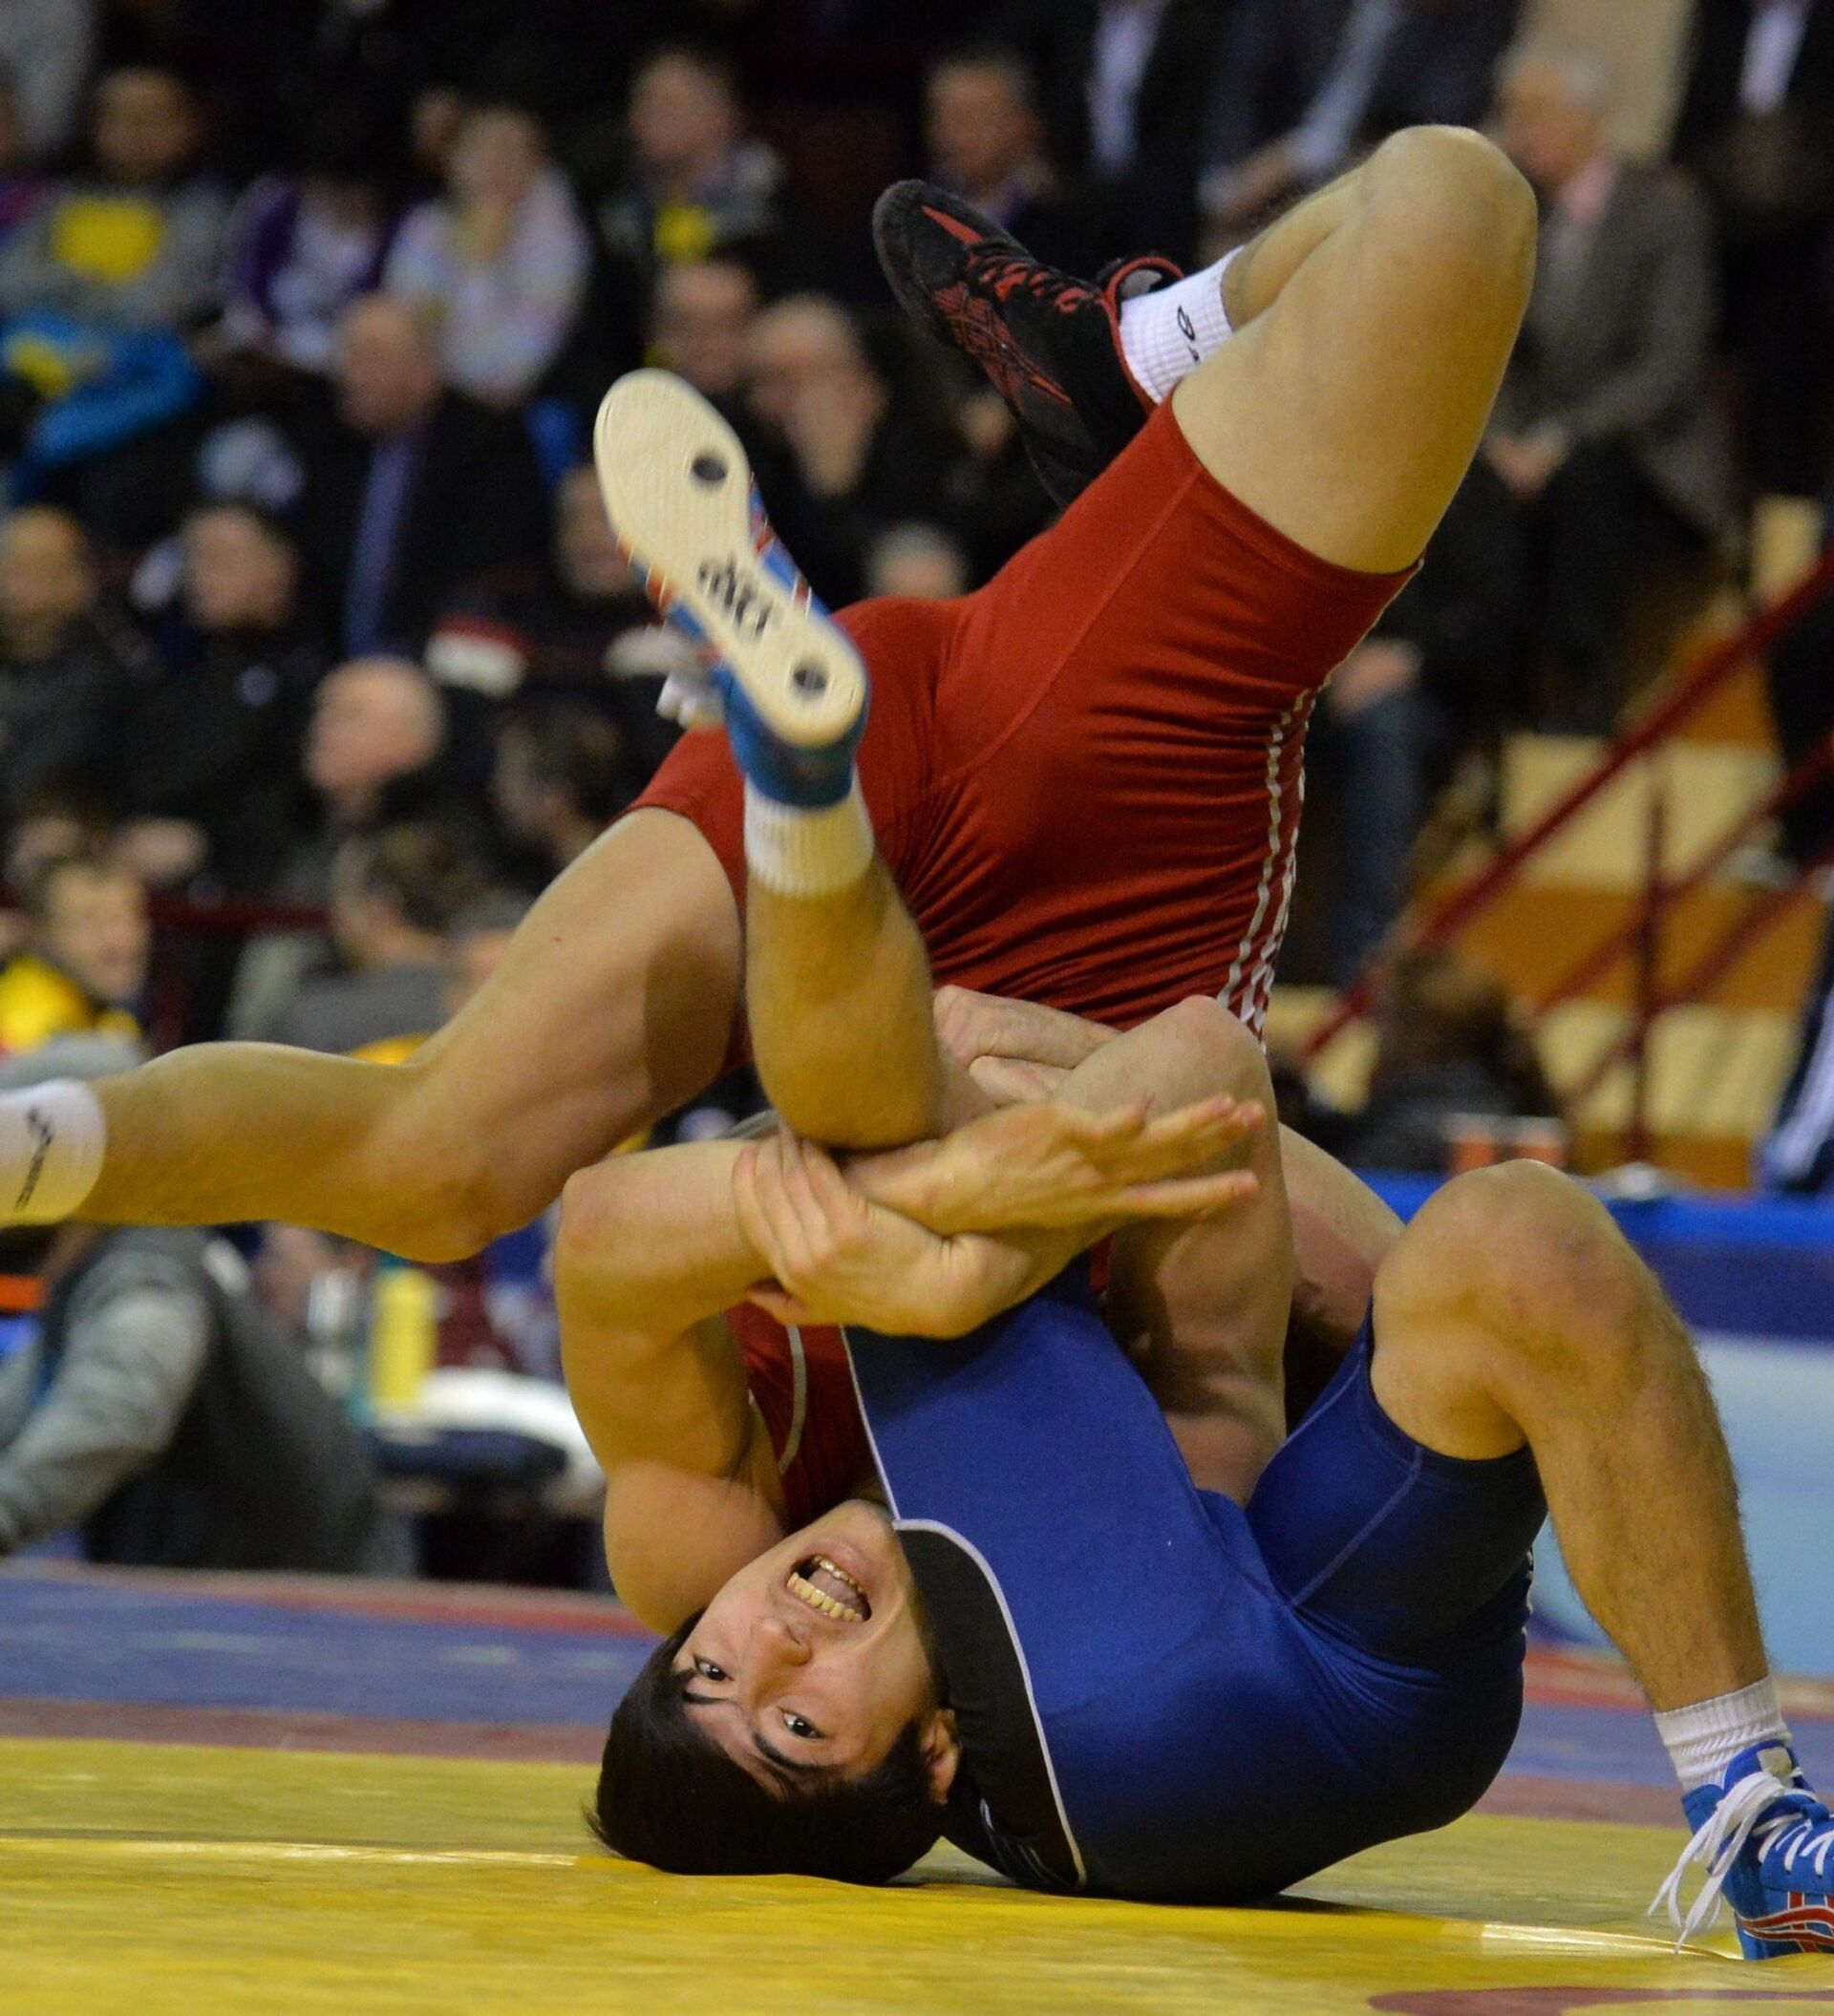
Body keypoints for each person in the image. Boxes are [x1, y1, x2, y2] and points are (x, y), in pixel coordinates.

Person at [0, 130, 1533, 1300]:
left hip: (1004, 805)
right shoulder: (1269, 1384)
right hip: (1100, 762)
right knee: (459, 1163)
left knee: (443, 1153)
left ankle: (35, 1139)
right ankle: (1142, 356)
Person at [565, 626, 1833, 1963]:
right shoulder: (877, 1475)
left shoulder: (819, 1510)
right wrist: (962, 1199)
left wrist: (1023, 1130)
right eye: (802, 1720)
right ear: (936, 1755)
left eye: (714, 1664)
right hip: (1141, 1737)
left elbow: (1226, 1111)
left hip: (1324, 1666)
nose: (775, 1644)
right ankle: (798, 794)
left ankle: (1753, 1812)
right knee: (913, 1145)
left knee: (1520, 1240)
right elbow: (1187, 1067)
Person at [0, 1039, 404, 1574]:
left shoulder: (148, 1271)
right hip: (263, 1610)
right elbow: (19, 1413)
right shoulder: (104, 1267)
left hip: (307, 1622)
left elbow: (115, 1416)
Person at [1488, 42, 1733, 731]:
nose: (1520, 132)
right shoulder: (1520, 216)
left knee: (1585, 483)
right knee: (1470, 492)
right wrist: (1504, 443)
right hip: (1532, 452)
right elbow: (1499, 357)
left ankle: (1581, 691)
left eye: (1536, 114)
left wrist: (1558, 441)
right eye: (1512, 115)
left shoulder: (1662, 211)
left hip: (1644, 460)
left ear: (1586, 119)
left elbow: (1668, 369)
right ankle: (1483, 707)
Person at [296, 294, 550, 658]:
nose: (350, 373)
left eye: (372, 356)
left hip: (442, 657)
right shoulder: (330, 443)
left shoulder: (488, 444)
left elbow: (489, 572)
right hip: (337, 662)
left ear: (425, 367)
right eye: (346, 354)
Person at [383, 100, 590, 409]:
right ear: (453, 160)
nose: (494, 165)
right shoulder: (427, 225)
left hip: (512, 420)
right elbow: (403, 334)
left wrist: (479, 266)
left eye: (510, 153)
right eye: (481, 149)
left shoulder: (558, 243)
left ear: (537, 166)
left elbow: (508, 376)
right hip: (422, 407)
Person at [271, 825, 480, 1059]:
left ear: (379, 907)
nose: (338, 920)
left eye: (343, 901)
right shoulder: (490, 1007)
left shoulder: (315, 1020)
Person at [0, 508, 144, 842]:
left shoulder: (102, 677)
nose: (12, 578)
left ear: (77, 580)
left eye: (36, 566)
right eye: (7, 561)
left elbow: (30, 784)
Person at [0, 855, 147, 1062]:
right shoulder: (23, 1031)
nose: (121, 939)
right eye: (90, 921)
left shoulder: (115, 1022)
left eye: (131, 916)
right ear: (41, 935)